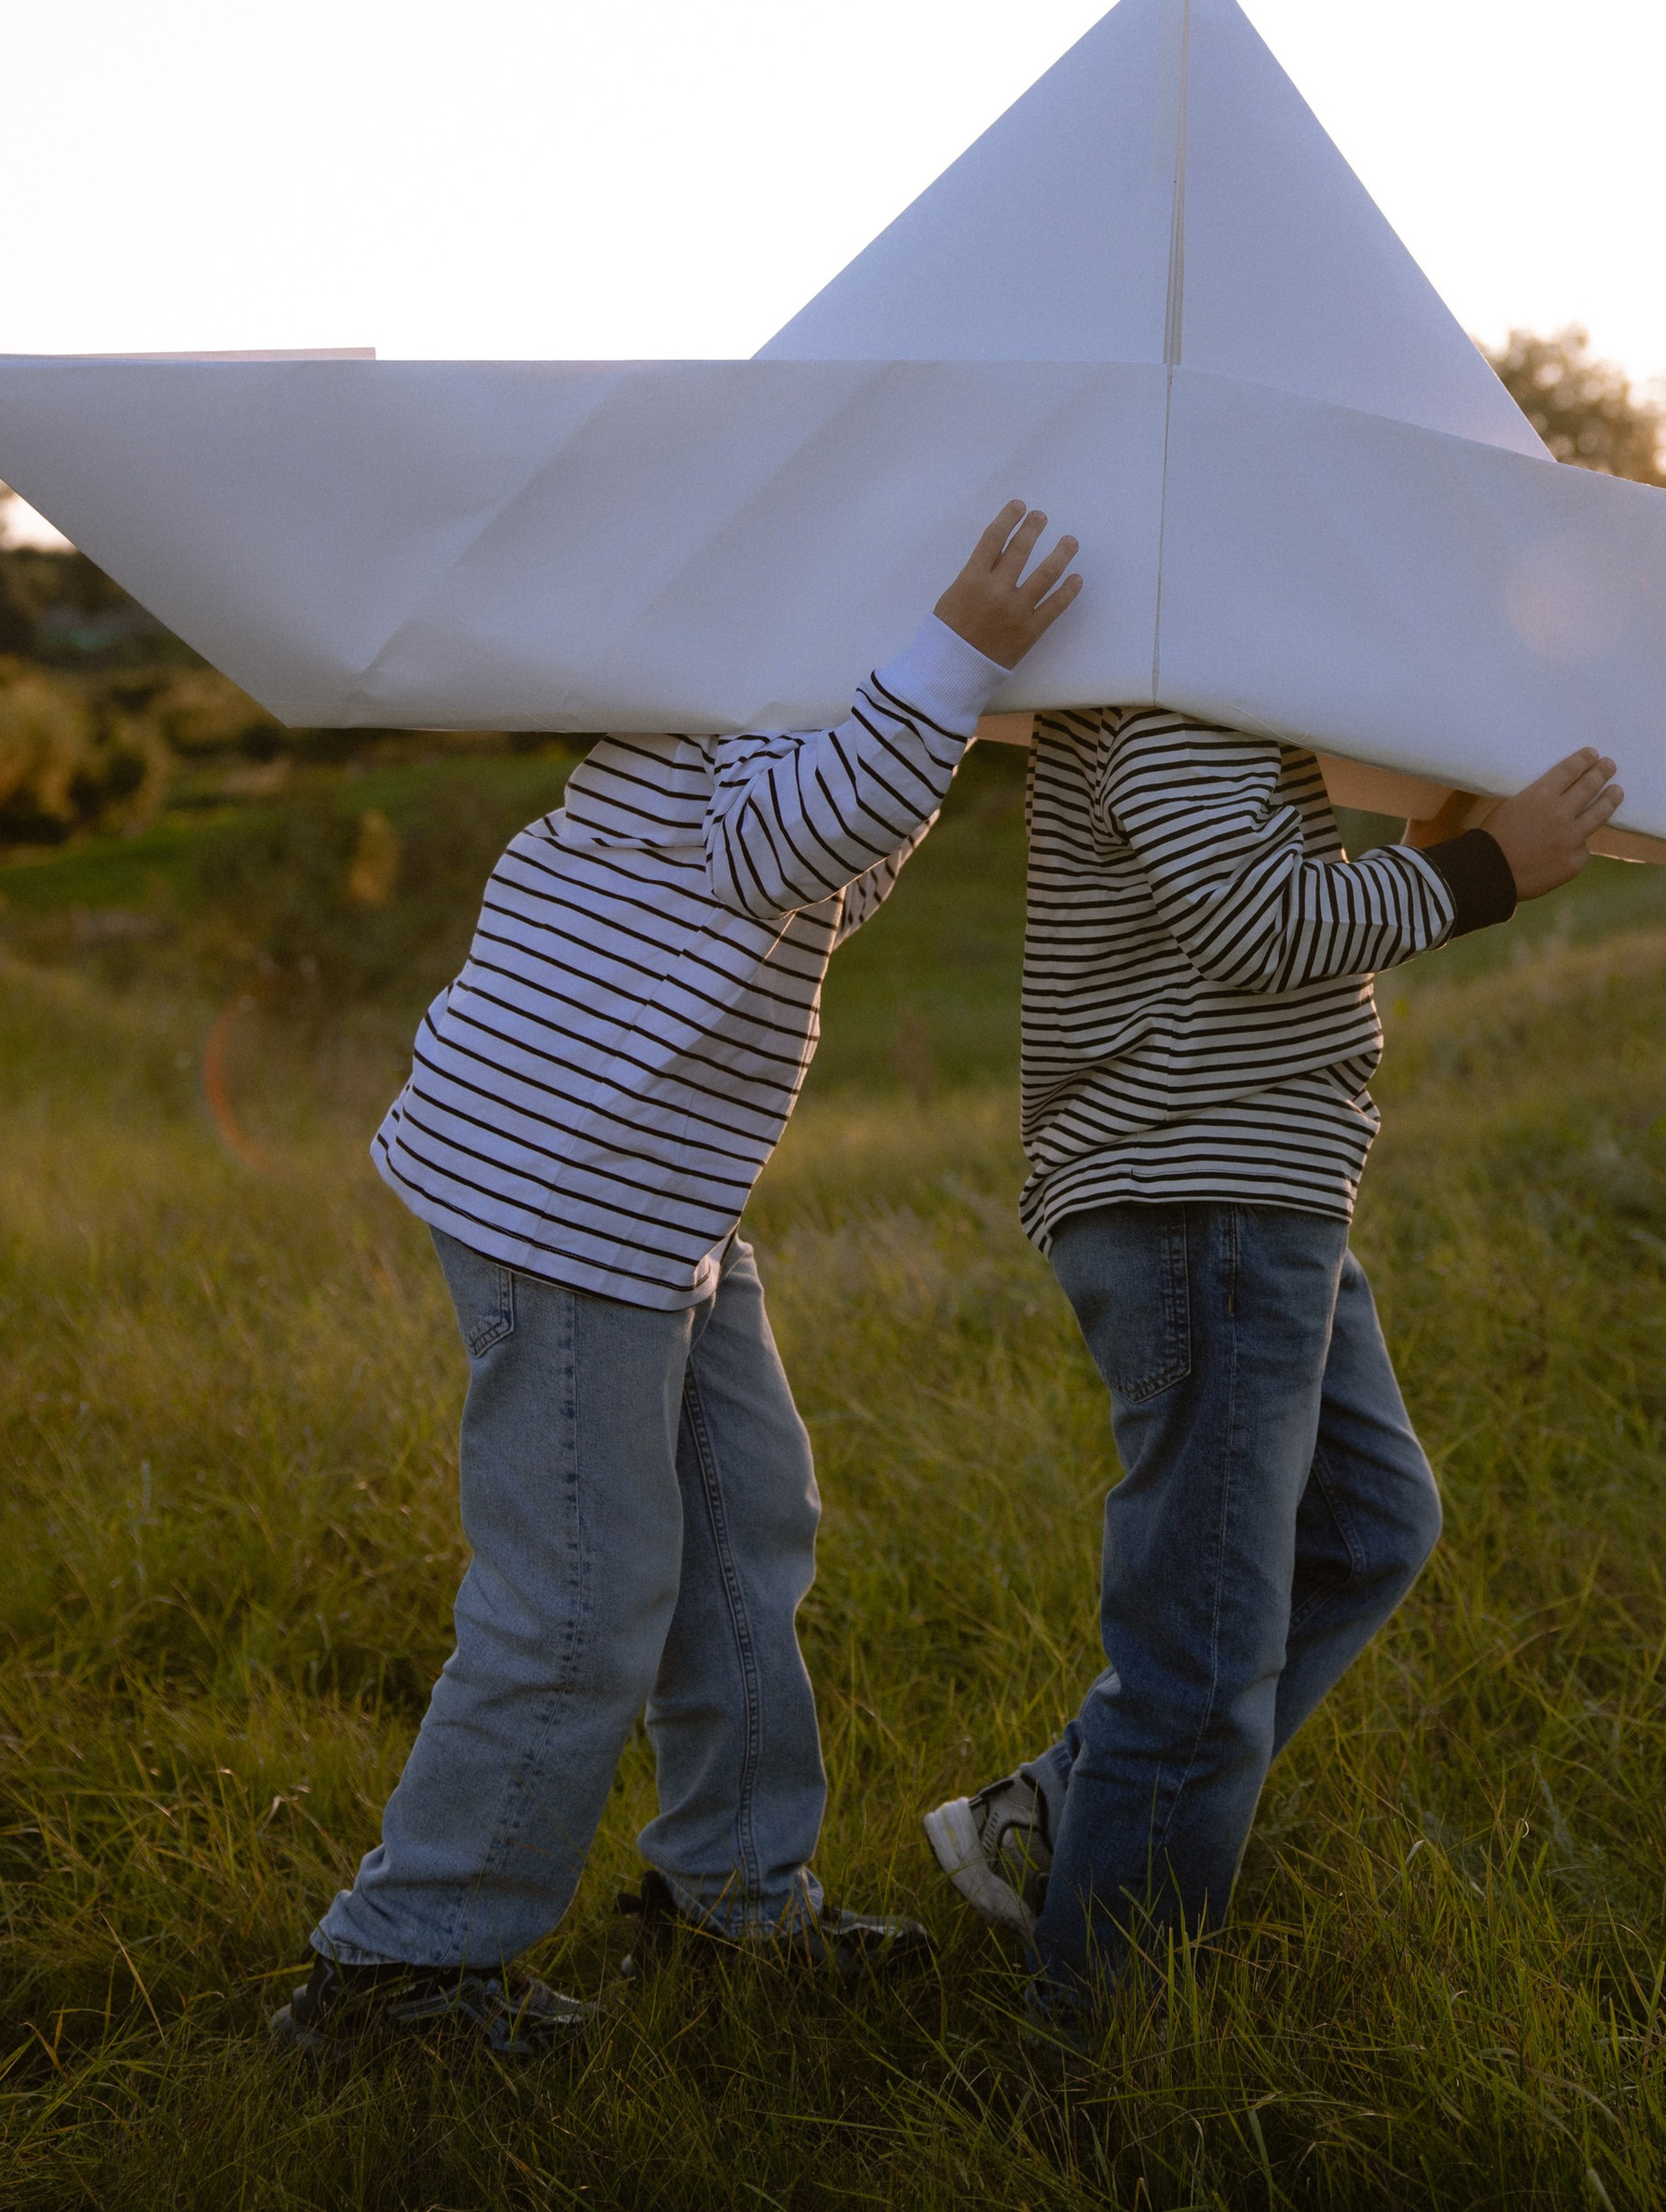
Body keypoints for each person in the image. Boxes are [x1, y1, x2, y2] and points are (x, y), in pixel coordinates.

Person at [271, 500, 1082, 2059]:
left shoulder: (826, 645)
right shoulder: (769, 626)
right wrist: (955, 656)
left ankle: (733, 1896)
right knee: (583, 1597)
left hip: (652, 1187)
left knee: (746, 1526)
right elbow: (780, 842)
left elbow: (836, 869)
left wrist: (942, 690)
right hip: (567, 1179)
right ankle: (400, 1969)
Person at [924, 711, 1623, 2005]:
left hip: (1261, 1187)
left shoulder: (1216, 675)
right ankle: (1105, 2024)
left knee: (1370, 1522)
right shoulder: (1170, 672)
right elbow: (1253, 925)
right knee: (1205, 1644)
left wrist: (1428, 844)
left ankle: (1058, 1811)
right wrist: (1483, 872)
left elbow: (1250, 899)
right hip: (1206, 1193)